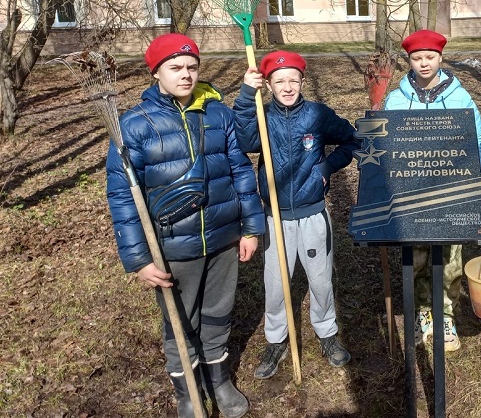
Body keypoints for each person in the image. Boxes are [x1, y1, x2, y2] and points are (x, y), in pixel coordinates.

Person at [106, 33, 264, 418]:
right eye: (175, 68)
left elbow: (242, 171)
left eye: (192, 67)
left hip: (224, 237)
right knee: (180, 318)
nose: (186, 75)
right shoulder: (135, 125)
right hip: (174, 246)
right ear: (156, 72)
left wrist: (251, 228)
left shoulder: (217, 114)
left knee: (217, 312)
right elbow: (123, 196)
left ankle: (219, 381)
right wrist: (139, 258)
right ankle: (187, 391)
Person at [233, 51, 358, 379]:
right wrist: (247, 95)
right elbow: (244, 140)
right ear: (269, 85)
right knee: (275, 285)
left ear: (302, 81)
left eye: (293, 80)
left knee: (320, 280)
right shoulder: (263, 116)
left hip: (312, 215)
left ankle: (327, 333)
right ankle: (276, 340)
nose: (287, 87)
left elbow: (350, 140)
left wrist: (327, 167)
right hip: (275, 218)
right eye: (279, 81)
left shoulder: (317, 115)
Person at [383, 29, 481, 352]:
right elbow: (385, 141)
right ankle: (420, 313)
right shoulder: (398, 98)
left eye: (430, 57)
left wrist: (474, 176)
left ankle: (443, 314)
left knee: (451, 260)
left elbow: (479, 138)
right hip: (412, 194)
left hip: (451, 193)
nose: (424, 63)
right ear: (409, 60)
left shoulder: (458, 97)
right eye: (417, 58)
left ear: (441, 58)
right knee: (415, 258)